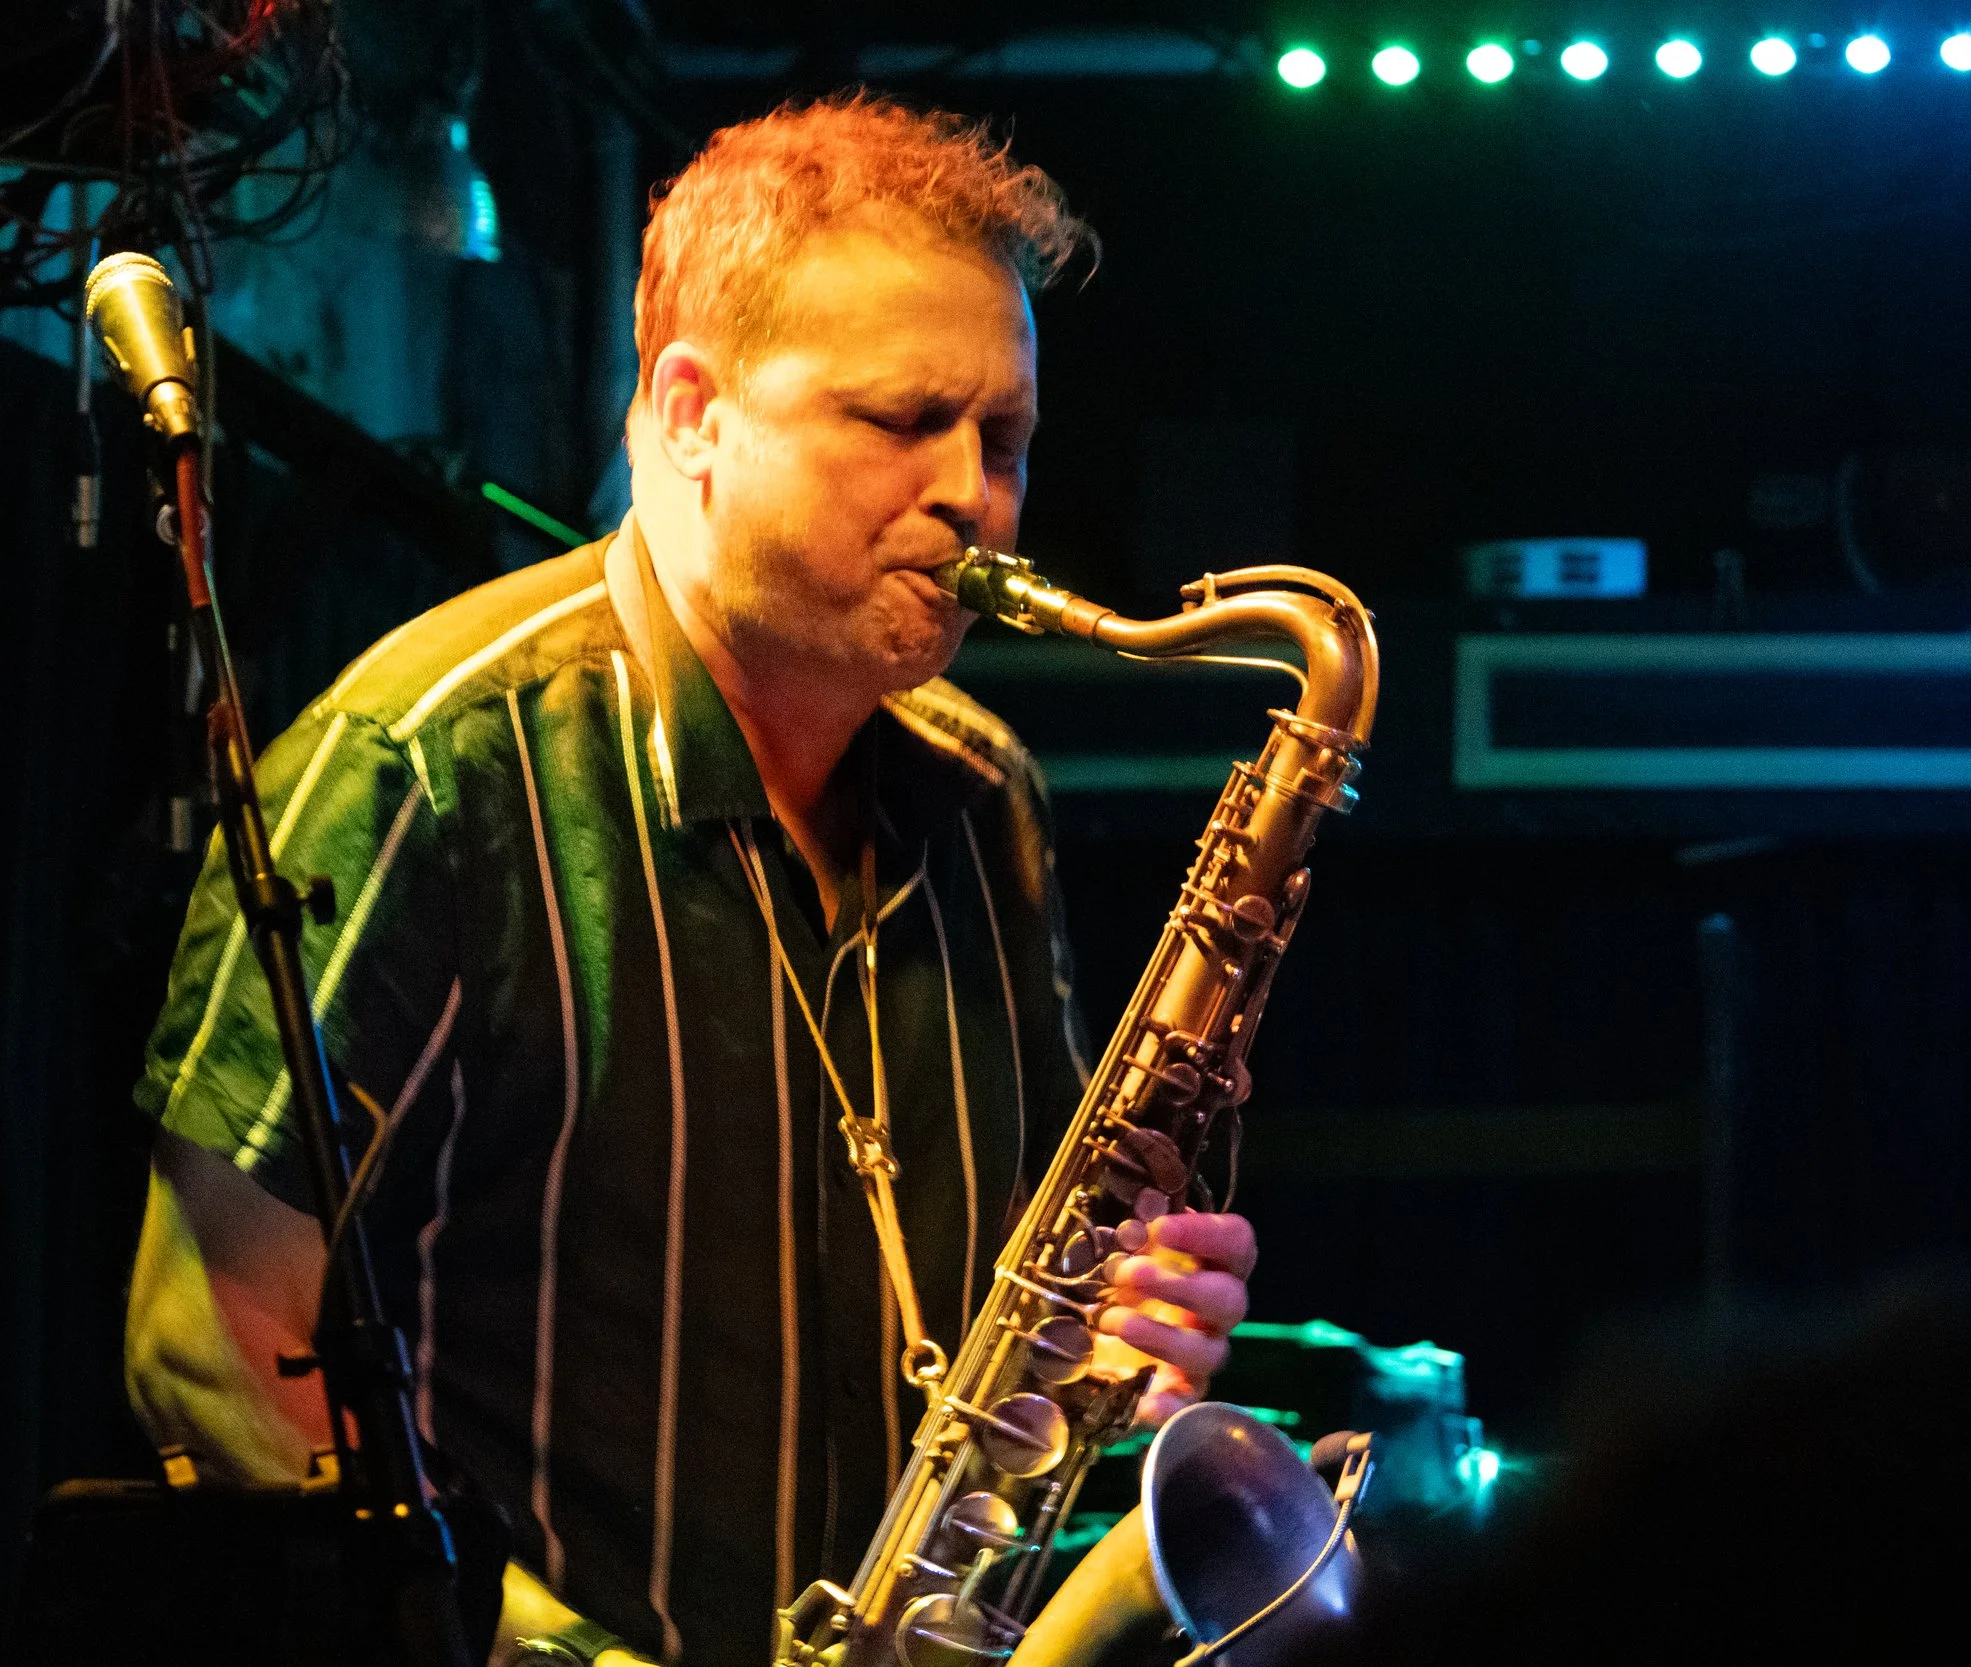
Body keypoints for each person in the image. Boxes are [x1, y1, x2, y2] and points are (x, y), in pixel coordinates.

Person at [122, 95, 1257, 1667]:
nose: (970, 499)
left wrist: (1119, 1343)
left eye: (1001, 439)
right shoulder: (431, 764)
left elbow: (1014, 1312)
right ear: (691, 412)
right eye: (900, 419)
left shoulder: (987, 789)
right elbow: (206, 1351)